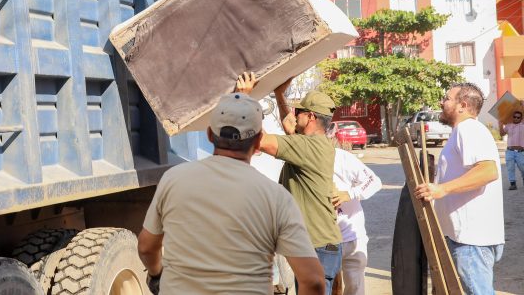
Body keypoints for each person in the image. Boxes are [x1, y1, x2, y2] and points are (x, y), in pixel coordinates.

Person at [137, 91, 325, 295]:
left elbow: (147, 247)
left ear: (209, 134)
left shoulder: (173, 180)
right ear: (258, 141)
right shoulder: (277, 198)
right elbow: (313, 281)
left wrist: (157, 275)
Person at [236, 72, 343, 295]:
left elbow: (261, 140)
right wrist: (279, 93)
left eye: (299, 113)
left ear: (311, 117)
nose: (294, 116)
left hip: (318, 248)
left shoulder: (309, 147)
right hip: (317, 246)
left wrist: (243, 98)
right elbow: (292, 129)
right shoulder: (316, 143)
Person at [414, 83, 504, 295]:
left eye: (447, 98)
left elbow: (488, 171)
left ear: (462, 105)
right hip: (467, 238)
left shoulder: (469, 129)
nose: (441, 102)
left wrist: (442, 189)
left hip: (471, 240)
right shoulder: (463, 131)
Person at [331, 145, 382, 295]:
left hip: (351, 236)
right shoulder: (299, 158)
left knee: (355, 288)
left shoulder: (340, 157)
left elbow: (374, 181)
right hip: (323, 241)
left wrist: (350, 193)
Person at [499, 110, 524, 190]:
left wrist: (523, 106)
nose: (516, 118)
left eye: (518, 117)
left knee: (523, 168)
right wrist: (500, 125)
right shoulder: (508, 125)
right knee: (510, 168)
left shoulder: (523, 125)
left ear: (521, 118)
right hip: (510, 151)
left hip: (520, 152)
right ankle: (513, 184)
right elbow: (502, 134)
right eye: (514, 117)